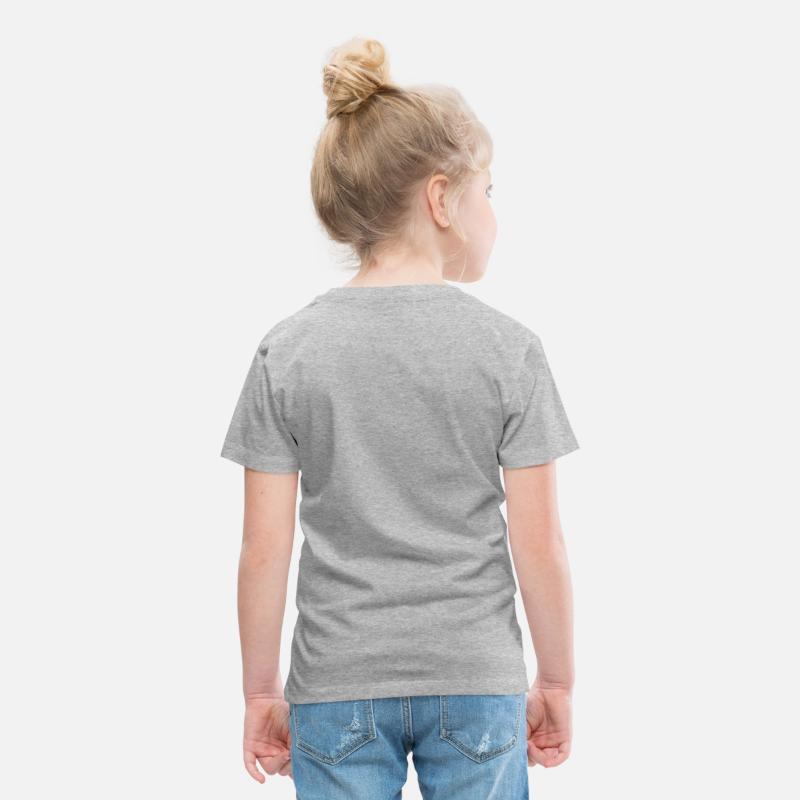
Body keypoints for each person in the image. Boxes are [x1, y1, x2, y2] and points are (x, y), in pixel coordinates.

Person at [220, 36, 580, 800]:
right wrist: (555, 680)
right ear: (441, 199)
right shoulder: (509, 351)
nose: (494, 211)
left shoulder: (288, 352)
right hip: (476, 679)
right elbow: (539, 543)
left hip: (335, 684)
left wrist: (259, 692)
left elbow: (262, 549)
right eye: (489, 190)